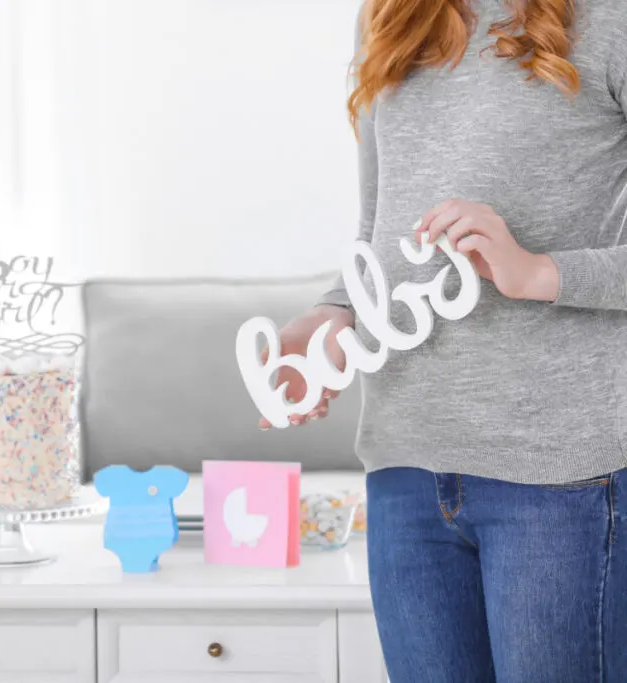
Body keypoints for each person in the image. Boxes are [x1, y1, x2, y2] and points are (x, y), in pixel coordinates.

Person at [267, 1, 627, 681]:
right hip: (405, 466)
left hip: (559, 478)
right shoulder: (389, 16)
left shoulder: (609, 19)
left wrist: (542, 271)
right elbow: (379, 225)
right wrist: (331, 317)